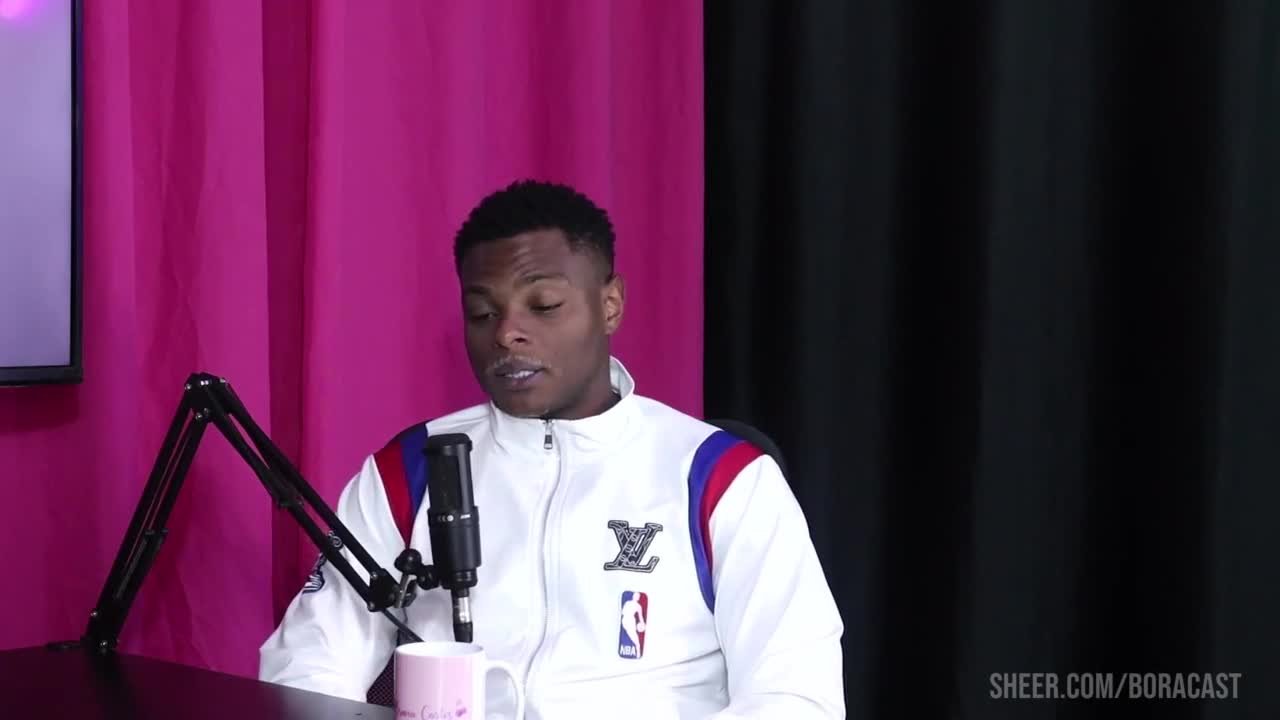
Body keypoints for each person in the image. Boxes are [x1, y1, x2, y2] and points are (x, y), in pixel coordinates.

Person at [258, 180, 845, 718]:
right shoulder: (409, 471)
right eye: (482, 312)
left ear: (609, 305)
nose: (506, 333)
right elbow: (309, 664)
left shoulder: (721, 479)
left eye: (543, 306)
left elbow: (796, 697)